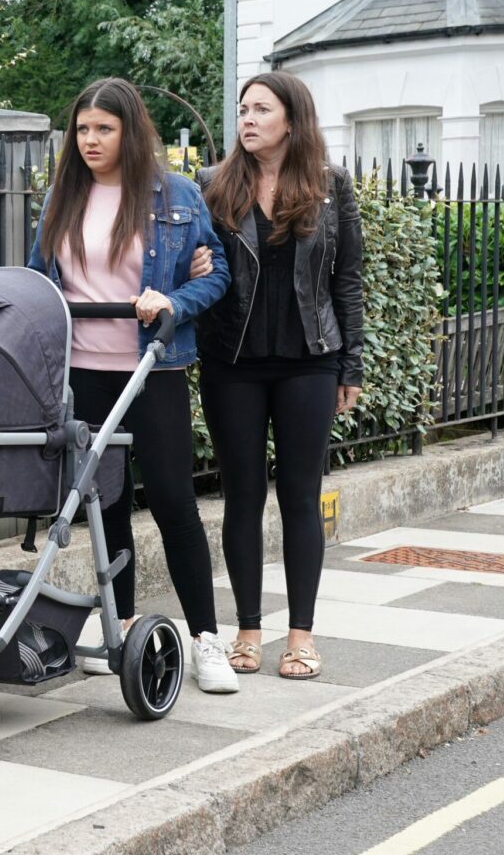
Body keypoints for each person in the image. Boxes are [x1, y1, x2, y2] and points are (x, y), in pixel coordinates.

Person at [28, 77, 240, 694]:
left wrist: (171, 297)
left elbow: (216, 271)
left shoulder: (174, 194)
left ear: (130, 131)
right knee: (106, 506)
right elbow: (39, 280)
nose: (90, 140)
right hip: (82, 373)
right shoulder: (62, 197)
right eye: (83, 129)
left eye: (104, 129)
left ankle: (206, 640)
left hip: (155, 369)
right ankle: (118, 629)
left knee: (174, 500)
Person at [196, 71, 363, 681]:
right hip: (231, 362)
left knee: (299, 497)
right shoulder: (213, 185)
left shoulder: (327, 185)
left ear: (291, 119)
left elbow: (347, 279)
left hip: (310, 360)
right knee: (241, 497)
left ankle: (301, 635)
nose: (248, 118)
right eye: (242, 109)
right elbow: (200, 264)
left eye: (261, 109)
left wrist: (353, 364)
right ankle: (246, 629)